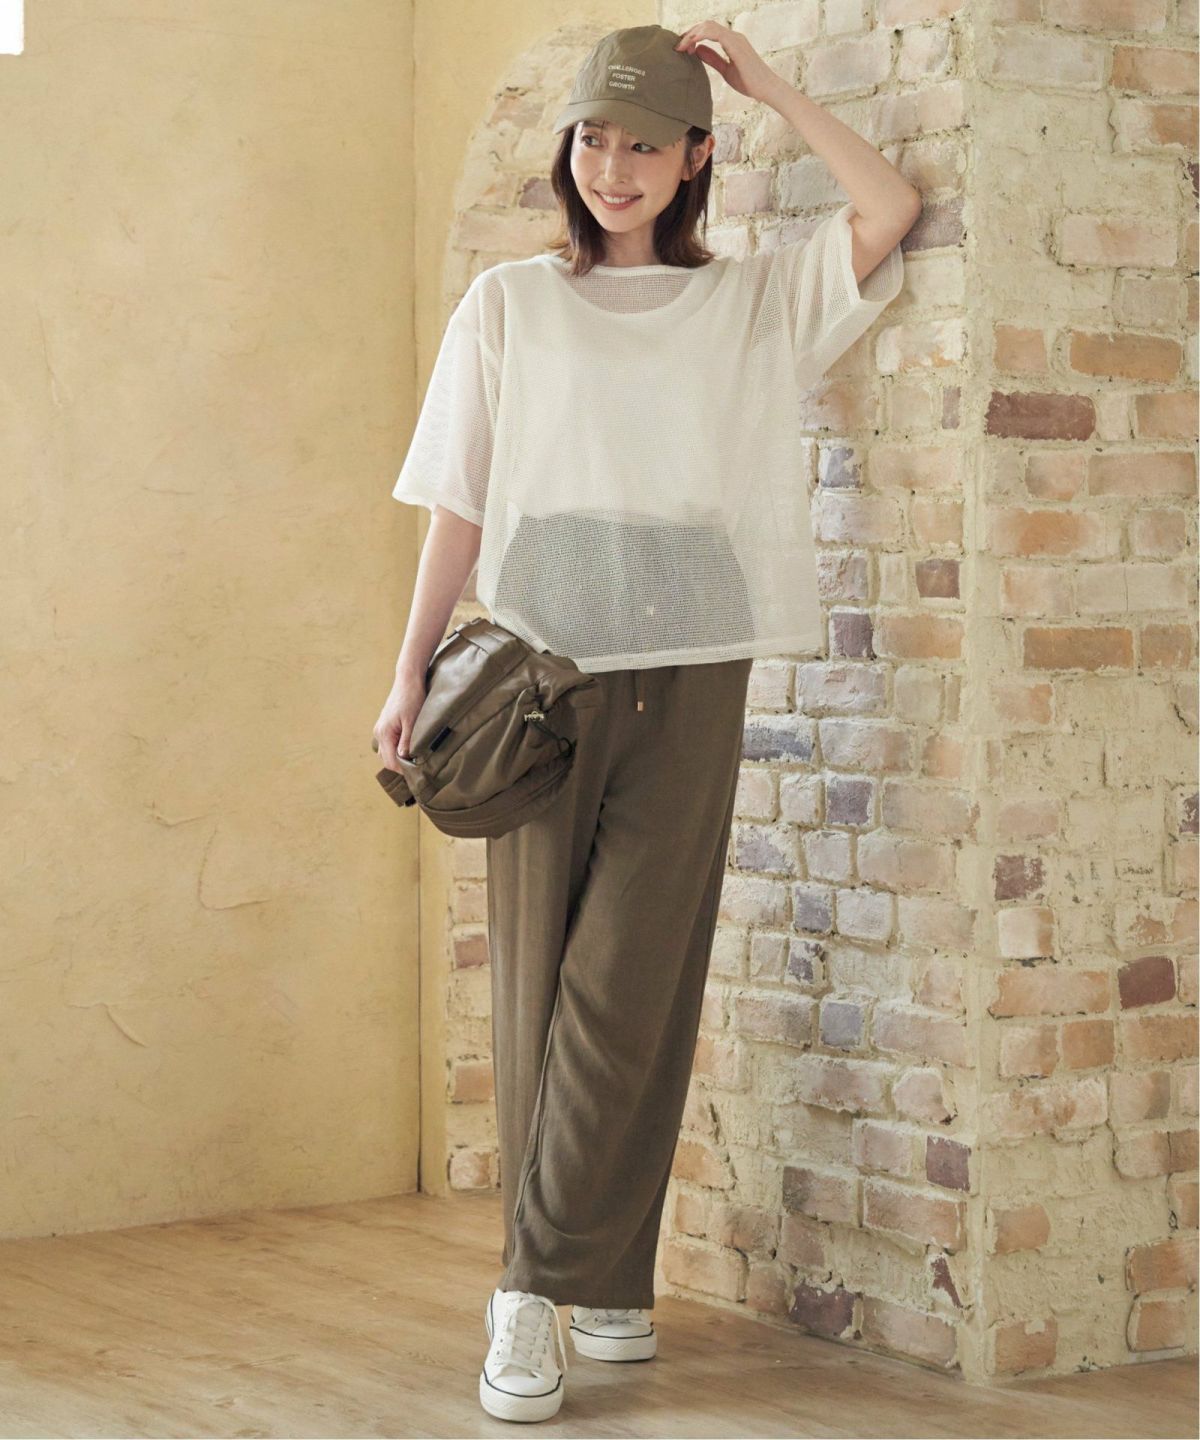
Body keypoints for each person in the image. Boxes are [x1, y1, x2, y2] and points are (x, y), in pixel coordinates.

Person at [373, 19, 921, 1424]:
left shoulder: (749, 299)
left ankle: (546, 1289)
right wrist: (409, 671)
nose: (613, 167)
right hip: (536, 670)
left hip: (692, 659)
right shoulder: (509, 303)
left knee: (635, 987)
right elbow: (460, 506)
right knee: (542, 987)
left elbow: (887, 208)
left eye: (645, 143)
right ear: (571, 148)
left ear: (695, 158)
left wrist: (768, 83)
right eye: (594, 139)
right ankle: (575, 1285)